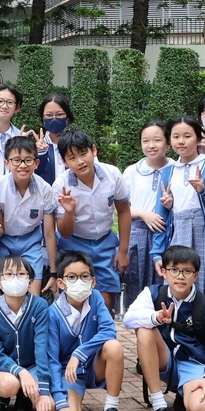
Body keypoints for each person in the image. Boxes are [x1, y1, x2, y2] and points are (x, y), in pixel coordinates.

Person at [123, 244, 205, 411]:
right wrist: (156, 317)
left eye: (187, 271)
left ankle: (184, 394)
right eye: (174, 270)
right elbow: (128, 319)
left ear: (195, 276)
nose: (180, 276)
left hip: (193, 364)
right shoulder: (153, 293)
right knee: (145, 330)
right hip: (163, 360)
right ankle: (159, 407)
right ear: (164, 272)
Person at [152, 117, 205, 303]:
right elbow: (161, 217)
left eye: (187, 136)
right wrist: (157, 253)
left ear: (199, 139)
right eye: (176, 136)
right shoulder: (168, 172)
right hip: (178, 237)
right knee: (179, 290)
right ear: (169, 141)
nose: (181, 141)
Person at [48, 250, 128, 411]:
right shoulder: (53, 313)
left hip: (93, 365)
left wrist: (79, 353)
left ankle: (111, 409)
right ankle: (71, 397)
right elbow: (52, 360)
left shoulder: (96, 297)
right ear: (60, 283)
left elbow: (109, 330)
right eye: (72, 277)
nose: (79, 281)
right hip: (69, 375)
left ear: (93, 281)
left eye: (84, 276)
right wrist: (60, 401)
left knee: (114, 347)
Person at [53, 128, 131, 310]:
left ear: (93, 150)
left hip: (105, 242)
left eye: (83, 153)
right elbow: (65, 233)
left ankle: (105, 329)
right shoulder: (60, 185)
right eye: (72, 158)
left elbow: (124, 211)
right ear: (64, 162)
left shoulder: (112, 174)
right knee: (76, 298)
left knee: (106, 301)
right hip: (74, 244)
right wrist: (69, 212)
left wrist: (123, 251)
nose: (80, 161)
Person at [0, 256, 55, 411]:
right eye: (8, 274)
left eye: (21, 273)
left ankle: (24, 395)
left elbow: (41, 347)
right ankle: (1, 396)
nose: (15, 278)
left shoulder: (40, 305)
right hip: (5, 368)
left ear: (30, 282)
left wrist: (43, 390)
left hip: (33, 366)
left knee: (48, 410)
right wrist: (21, 372)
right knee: (9, 385)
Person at [0, 136, 61, 295]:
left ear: (36, 163)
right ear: (7, 163)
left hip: (31, 241)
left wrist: (54, 272)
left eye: (28, 160)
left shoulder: (45, 189)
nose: (23, 165)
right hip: (2, 242)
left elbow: (49, 233)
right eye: (16, 160)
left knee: (33, 296)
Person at [122, 121, 170, 309]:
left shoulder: (175, 168)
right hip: (136, 233)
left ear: (168, 143)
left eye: (157, 140)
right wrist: (144, 215)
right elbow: (121, 209)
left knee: (163, 279)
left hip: (165, 233)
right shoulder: (132, 171)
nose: (151, 145)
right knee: (134, 280)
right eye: (145, 141)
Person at [34, 93, 74, 182]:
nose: (54, 119)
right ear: (43, 119)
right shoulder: (36, 148)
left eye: (59, 114)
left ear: (67, 117)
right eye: (49, 115)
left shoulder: (78, 143)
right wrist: (39, 153)